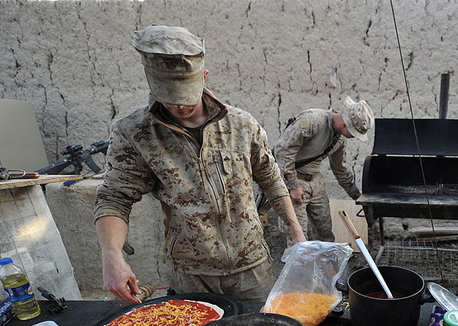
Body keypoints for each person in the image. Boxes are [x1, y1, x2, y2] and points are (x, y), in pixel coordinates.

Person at [94, 26, 305, 303]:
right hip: (192, 276)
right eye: (169, 98)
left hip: (251, 269)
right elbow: (114, 198)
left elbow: (269, 176)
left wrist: (296, 231)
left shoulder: (241, 124)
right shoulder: (136, 133)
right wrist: (111, 256)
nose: (179, 107)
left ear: (203, 77)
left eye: (186, 96)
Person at [272, 97, 374, 241]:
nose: (353, 137)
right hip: (294, 179)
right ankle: (301, 264)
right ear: (346, 125)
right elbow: (283, 151)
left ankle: (325, 264)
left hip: (315, 181)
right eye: (354, 133)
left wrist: (356, 195)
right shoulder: (312, 120)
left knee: (325, 233)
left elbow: (340, 169)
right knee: (298, 237)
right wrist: (293, 185)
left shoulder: (339, 139)